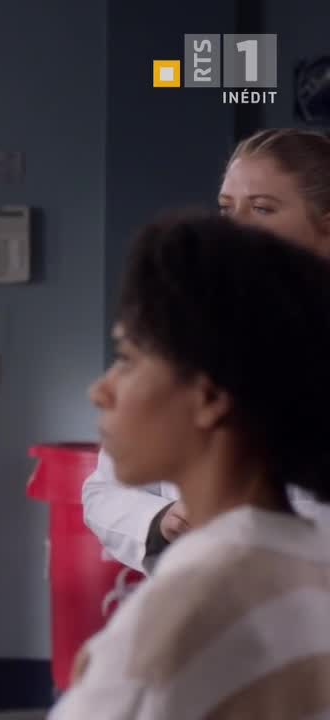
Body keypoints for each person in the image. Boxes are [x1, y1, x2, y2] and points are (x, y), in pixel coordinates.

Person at [52, 213, 330, 718]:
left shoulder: (174, 621)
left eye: (127, 358)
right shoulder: (309, 566)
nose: (101, 390)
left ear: (209, 398)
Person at [82, 128, 330, 572]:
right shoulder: (193, 329)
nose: (234, 226)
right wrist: (160, 520)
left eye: (262, 208)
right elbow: (104, 487)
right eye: (226, 208)